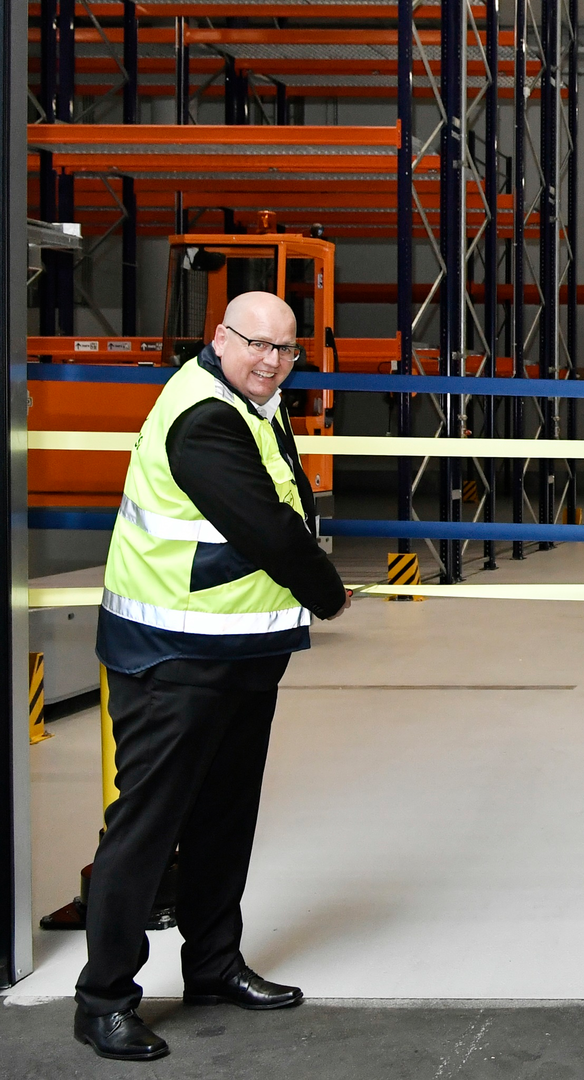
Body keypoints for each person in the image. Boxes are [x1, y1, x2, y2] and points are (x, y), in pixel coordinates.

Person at [76, 292, 351, 1060]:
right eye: (257, 344)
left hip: (237, 653)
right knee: (147, 828)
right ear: (219, 338)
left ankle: (213, 966)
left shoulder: (255, 403)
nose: (272, 362)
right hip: (171, 657)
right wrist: (327, 594)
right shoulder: (204, 416)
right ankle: (103, 999)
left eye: (287, 350)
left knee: (224, 820)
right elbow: (264, 526)